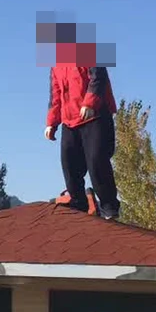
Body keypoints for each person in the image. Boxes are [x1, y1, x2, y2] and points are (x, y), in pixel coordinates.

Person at [45, 62, 120, 220]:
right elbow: (55, 94)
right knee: (69, 163)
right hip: (69, 121)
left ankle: (109, 206)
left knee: (96, 160)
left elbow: (98, 77)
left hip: (95, 115)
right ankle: (78, 202)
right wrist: (51, 123)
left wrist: (90, 103)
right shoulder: (56, 65)